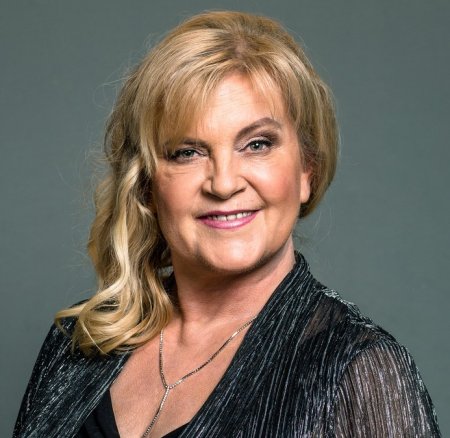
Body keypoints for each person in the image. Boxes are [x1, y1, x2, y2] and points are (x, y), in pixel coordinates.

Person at [14, 10, 440, 438]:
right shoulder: (78, 343)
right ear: (146, 184)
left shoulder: (358, 370)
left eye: (257, 144)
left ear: (306, 170)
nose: (223, 183)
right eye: (188, 152)